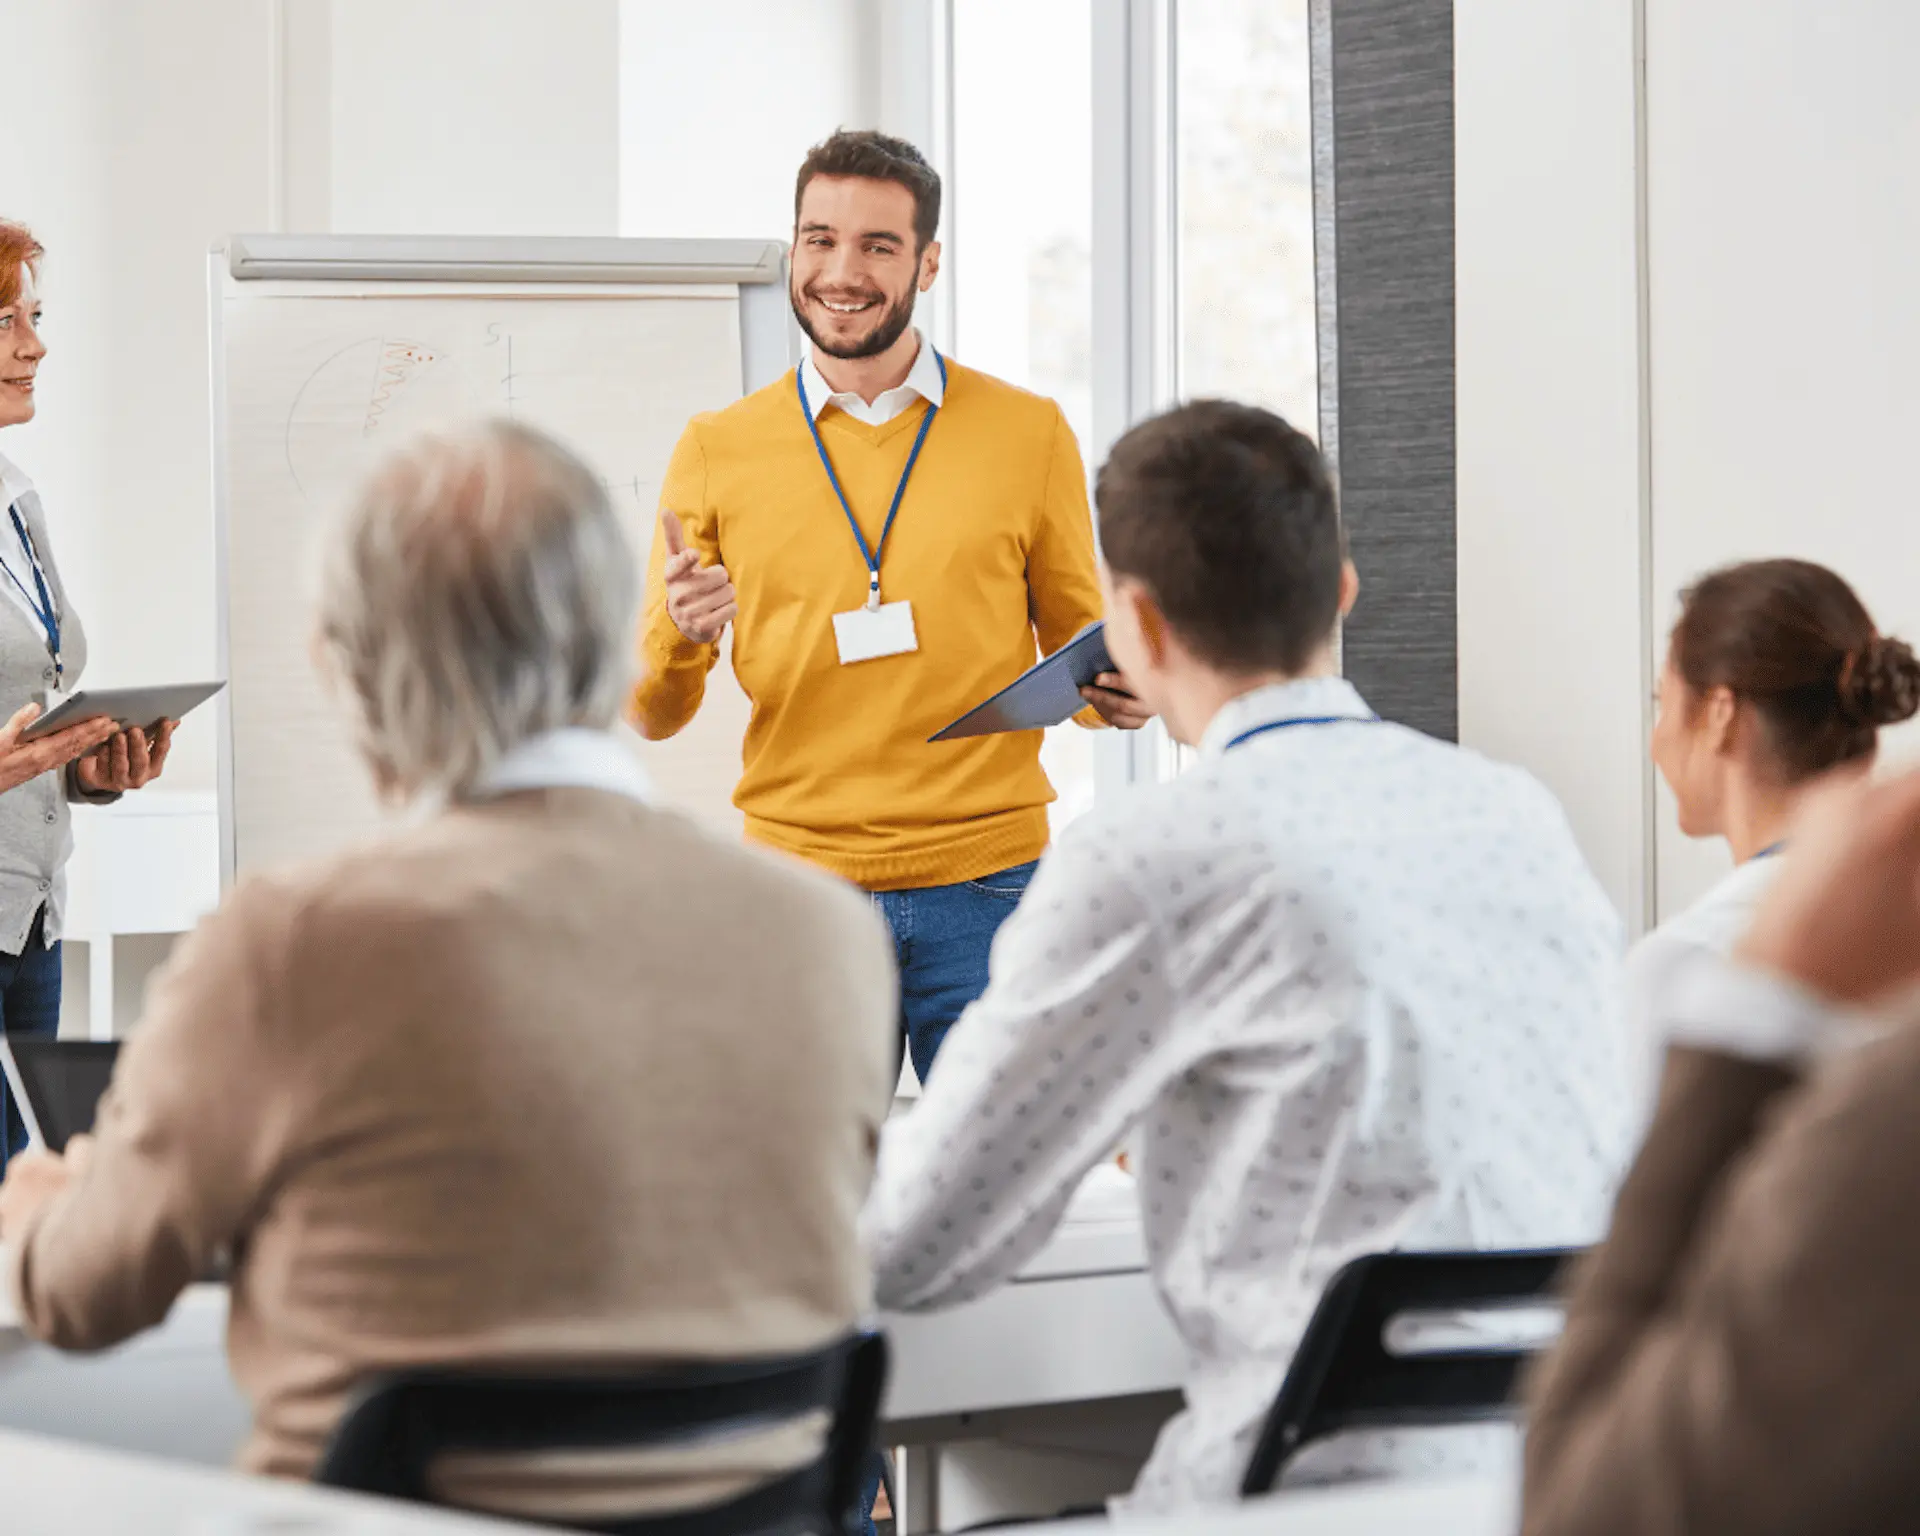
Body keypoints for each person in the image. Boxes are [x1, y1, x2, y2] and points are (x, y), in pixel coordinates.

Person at [0, 421, 896, 1525]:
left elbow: (83, 1295)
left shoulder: (296, 942)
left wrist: (42, 1200)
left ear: (349, 665)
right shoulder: (823, 929)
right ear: (613, 632)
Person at [862, 400, 1633, 1512]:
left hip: (1294, 1494)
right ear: (1344, 592)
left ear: (1133, 625)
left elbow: (923, 1237)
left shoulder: (1152, 854)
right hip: (1553, 1486)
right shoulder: (1519, 816)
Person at [630, 129, 1148, 1089]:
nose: (841, 270)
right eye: (818, 239)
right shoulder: (717, 447)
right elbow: (650, 713)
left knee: (999, 1197)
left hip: (991, 886)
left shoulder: (1028, 433)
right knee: (812, 1207)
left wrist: (1122, 688)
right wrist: (683, 631)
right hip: (799, 890)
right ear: (793, 249)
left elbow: (1081, 656)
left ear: (928, 262)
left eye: (877, 245)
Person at [1522, 765, 1920, 1534]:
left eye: (1665, 705)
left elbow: (1593, 1513)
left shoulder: (1691, 964)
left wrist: (1758, 1012)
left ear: (1718, 714)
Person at [0, 221, 176, 1175]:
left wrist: (97, 771)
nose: (35, 344)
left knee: (29, 1196)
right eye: (4, 320)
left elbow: (32, 707)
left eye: (34, 315)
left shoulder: (18, 501)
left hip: (30, 916)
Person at [1626, 559, 1920, 1105]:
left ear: (1719, 713)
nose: (1656, 739)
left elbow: (1644, 1188)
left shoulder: (1680, 969)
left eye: (1661, 704)